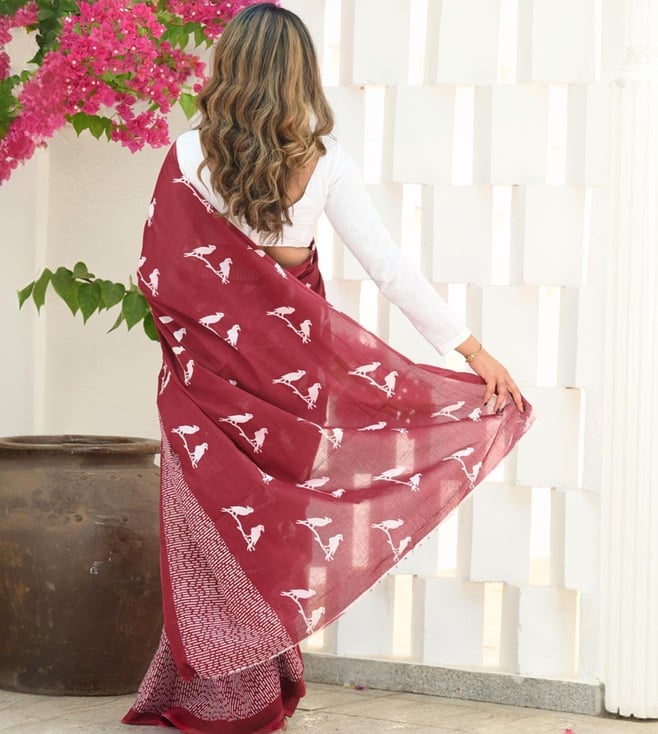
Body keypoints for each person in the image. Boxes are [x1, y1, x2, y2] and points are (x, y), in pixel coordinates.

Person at [123, 4, 533, 732]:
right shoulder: (323, 161)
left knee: (212, 535)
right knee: (270, 536)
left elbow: (158, 275)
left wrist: (205, 348)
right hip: (295, 385)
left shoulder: (188, 156)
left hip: (205, 385)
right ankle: (249, 688)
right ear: (299, 75)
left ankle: (224, 695)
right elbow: (389, 268)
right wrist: (470, 350)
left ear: (230, 70)